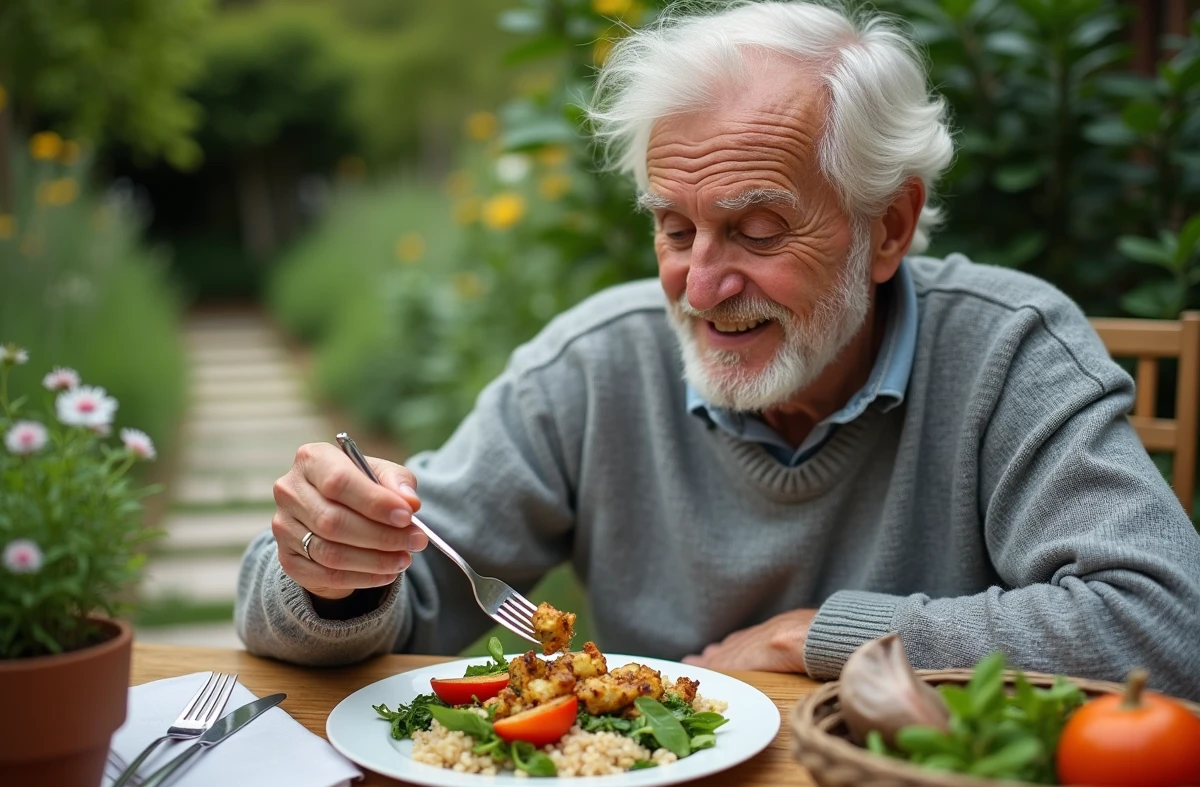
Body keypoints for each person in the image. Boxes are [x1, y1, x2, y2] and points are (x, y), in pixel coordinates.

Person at [235, 0, 1200, 699]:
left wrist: (824, 636)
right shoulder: (595, 365)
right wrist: (332, 574)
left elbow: (1168, 626)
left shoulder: (1010, 353)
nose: (701, 287)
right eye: (676, 228)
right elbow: (404, 607)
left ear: (890, 227)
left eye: (758, 230)